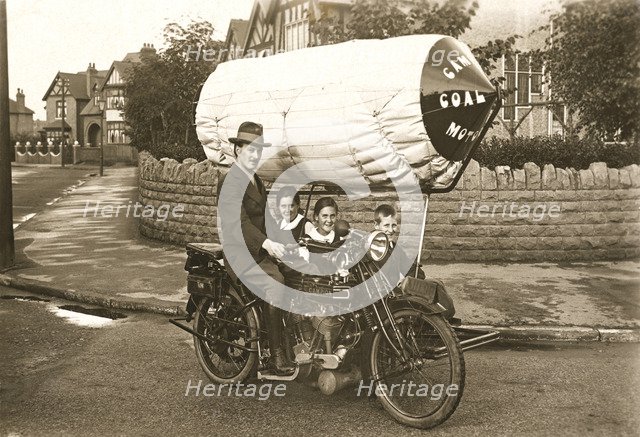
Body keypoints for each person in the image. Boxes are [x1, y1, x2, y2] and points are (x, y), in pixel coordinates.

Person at [217, 121, 293, 375]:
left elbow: (267, 219)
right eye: (249, 149)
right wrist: (266, 243)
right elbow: (240, 222)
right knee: (276, 283)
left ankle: (291, 346)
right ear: (237, 150)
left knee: (297, 275)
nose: (254, 155)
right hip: (241, 254)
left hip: (259, 251)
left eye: (258, 150)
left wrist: (290, 241)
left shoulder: (256, 180)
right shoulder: (230, 182)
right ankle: (275, 355)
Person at [373, 204, 425, 279]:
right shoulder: (369, 248)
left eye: (394, 225)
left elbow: (416, 272)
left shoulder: (394, 248)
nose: (391, 230)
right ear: (376, 225)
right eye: (386, 225)